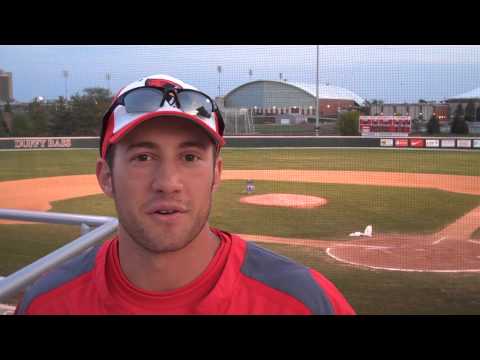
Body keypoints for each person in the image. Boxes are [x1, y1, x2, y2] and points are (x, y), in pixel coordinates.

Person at [15, 74, 355, 315]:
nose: (168, 182)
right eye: (143, 158)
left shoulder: (306, 302)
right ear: (106, 177)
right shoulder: (46, 303)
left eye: (190, 157)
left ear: (216, 174)